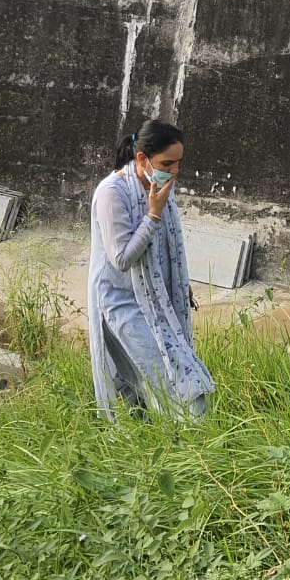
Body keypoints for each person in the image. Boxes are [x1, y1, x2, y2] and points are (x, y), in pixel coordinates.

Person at [89, 118, 214, 421]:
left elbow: (167, 248)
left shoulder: (156, 186)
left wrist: (178, 284)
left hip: (155, 299)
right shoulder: (112, 193)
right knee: (170, 378)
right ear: (142, 159)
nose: (174, 171)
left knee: (152, 381)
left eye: (178, 163)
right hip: (122, 303)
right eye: (167, 163)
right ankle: (186, 442)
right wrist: (153, 215)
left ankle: (156, 444)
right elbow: (121, 258)